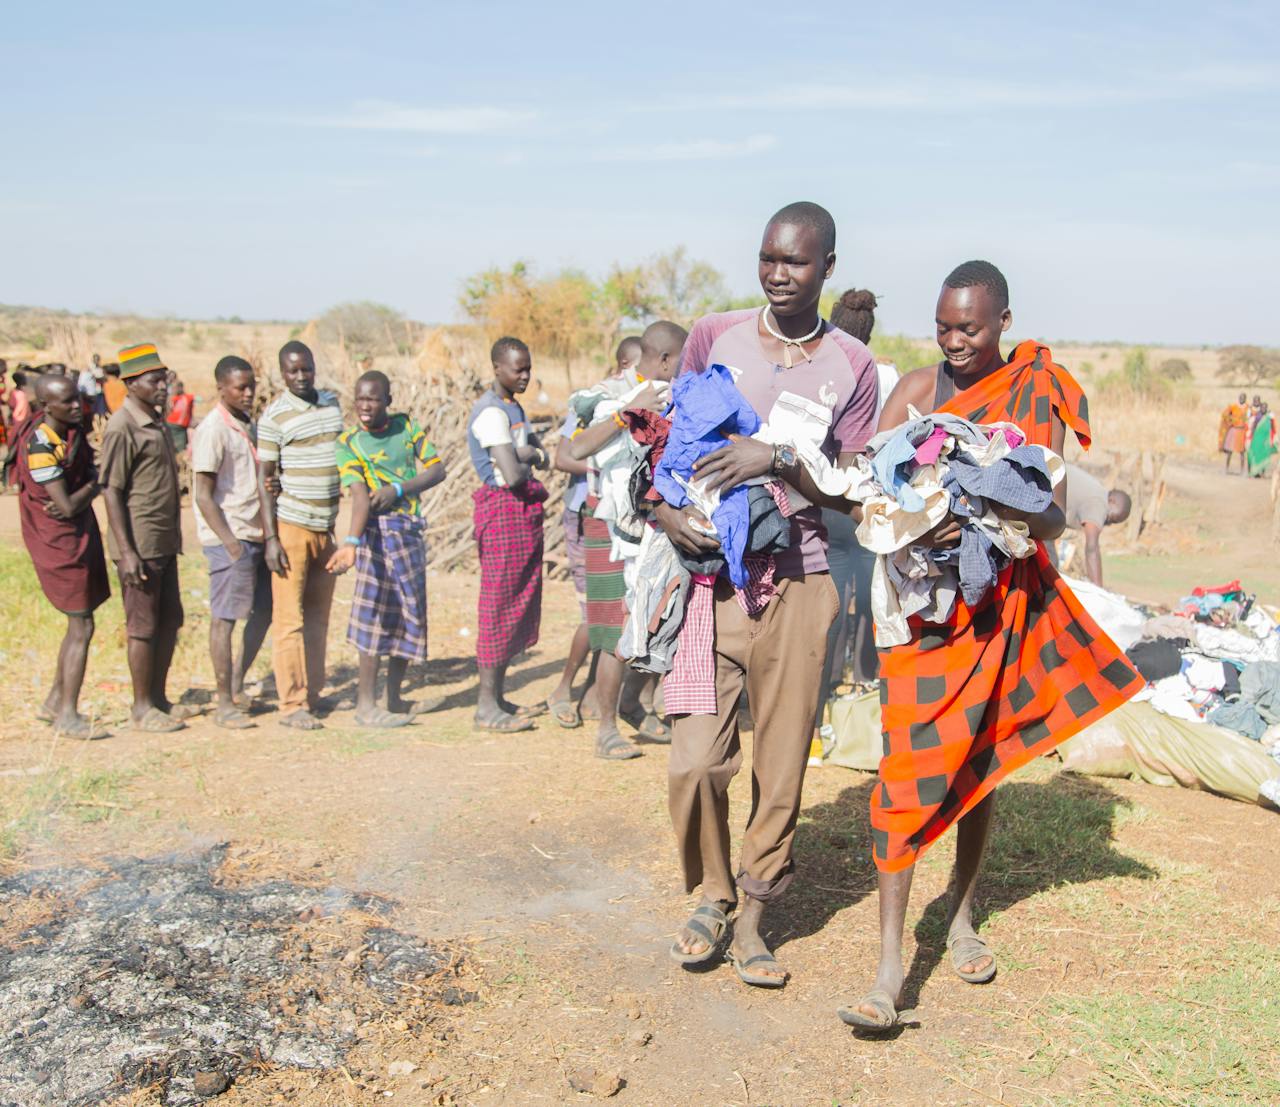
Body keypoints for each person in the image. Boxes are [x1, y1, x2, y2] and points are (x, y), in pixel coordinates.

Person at [838, 261, 1145, 1031]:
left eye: (969, 328)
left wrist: (980, 502)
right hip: (917, 618)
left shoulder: (1029, 399)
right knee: (904, 777)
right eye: (943, 326)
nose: (954, 341)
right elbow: (865, 495)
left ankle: (964, 913)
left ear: (1004, 319)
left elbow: (1047, 517)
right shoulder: (914, 392)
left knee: (977, 771)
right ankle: (887, 969)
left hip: (994, 613)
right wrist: (915, 515)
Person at [661, 202, 880, 987]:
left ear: (827, 265)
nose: (778, 274)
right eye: (767, 258)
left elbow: (854, 490)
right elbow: (665, 437)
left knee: (781, 763)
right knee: (695, 760)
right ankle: (711, 889)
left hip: (802, 579)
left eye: (794, 261)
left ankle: (751, 913)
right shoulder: (712, 334)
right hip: (713, 578)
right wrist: (660, 510)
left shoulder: (853, 365)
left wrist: (778, 459)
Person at [568, 320, 688, 759]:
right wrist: (627, 412)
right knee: (616, 633)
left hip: (654, 535)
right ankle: (605, 730)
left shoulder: (676, 400)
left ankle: (634, 706)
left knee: (651, 624)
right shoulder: (617, 399)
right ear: (660, 360)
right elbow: (576, 450)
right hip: (615, 534)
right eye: (680, 358)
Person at [328, 370, 448, 726]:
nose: (365, 406)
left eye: (374, 399)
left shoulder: (406, 427)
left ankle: (393, 698)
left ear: (388, 401)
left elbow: (437, 469)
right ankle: (366, 705)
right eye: (360, 398)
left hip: (408, 530)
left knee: (407, 612)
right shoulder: (348, 443)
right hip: (375, 533)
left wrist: (398, 490)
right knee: (374, 616)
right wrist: (351, 541)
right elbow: (359, 496)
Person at [100, 343, 192, 732]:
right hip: (138, 545)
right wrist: (127, 551)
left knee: (170, 619)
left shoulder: (154, 422)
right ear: (132, 383)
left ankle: (158, 697)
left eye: (163, 378)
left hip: (163, 541)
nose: (162, 386)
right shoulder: (122, 427)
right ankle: (141, 708)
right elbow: (111, 491)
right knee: (142, 626)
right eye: (155, 380)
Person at [15, 373, 110, 738]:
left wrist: (85, 484)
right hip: (58, 542)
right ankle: (68, 715)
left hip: (73, 536)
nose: (77, 406)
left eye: (77, 399)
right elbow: (67, 506)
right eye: (68, 402)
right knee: (81, 624)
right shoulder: (40, 445)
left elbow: (73, 494)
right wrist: (95, 483)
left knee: (81, 622)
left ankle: (55, 701)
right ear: (45, 406)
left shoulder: (67, 435)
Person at [257, 341, 344, 730]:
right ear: (282, 374)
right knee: (289, 619)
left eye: (306, 368)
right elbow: (265, 479)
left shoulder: (331, 404)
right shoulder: (274, 416)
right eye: (293, 371)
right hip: (291, 525)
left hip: (326, 527)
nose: (301, 376)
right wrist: (270, 537)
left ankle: (312, 694)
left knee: (319, 618)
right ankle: (292, 705)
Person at [467, 336, 550, 732]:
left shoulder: (511, 408)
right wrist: (532, 455)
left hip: (518, 510)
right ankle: (485, 706)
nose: (525, 376)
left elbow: (528, 450)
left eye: (528, 368)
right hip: (502, 507)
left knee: (515, 599)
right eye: (518, 369)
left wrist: (529, 453)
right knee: (498, 604)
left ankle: (497, 697)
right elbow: (515, 472)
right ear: (496, 368)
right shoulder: (490, 414)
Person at [191, 355, 274, 729]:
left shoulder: (248, 425)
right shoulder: (213, 429)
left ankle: (237, 683)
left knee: (264, 612)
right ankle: (224, 702)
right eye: (240, 387)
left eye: (251, 386)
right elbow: (203, 494)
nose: (248, 393)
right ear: (221, 388)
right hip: (231, 536)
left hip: (255, 532)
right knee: (224, 618)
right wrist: (230, 544)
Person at [820, 289, 887, 720]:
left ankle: (821, 692)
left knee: (827, 605)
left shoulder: (814, 367)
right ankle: (864, 685)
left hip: (823, 500)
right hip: (866, 505)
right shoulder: (887, 374)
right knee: (869, 600)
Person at [1061, 463, 1132, 586]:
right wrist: (1098, 591)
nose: (1107, 523)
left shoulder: (1096, 491)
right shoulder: (1100, 503)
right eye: (1111, 519)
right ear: (1112, 501)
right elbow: (1092, 548)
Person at [1219, 392, 1249, 475]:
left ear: (1245, 398)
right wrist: (1231, 420)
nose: (1241, 398)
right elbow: (1224, 414)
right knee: (1229, 451)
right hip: (1233, 430)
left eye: (1243, 397)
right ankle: (1226, 469)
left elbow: (1250, 417)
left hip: (1242, 431)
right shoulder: (1233, 406)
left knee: (1242, 452)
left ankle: (1242, 471)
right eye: (1240, 397)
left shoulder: (1247, 407)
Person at [1247, 401, 1277, 478]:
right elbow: (1253, 426)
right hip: (1257, 439)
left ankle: (1262, 473)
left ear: (1267, 408)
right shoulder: (1258, 416)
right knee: (1255, 454)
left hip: (1265, 440)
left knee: (1264, 455)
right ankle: (1253, 472)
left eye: (1265, 407)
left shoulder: (1269, 417)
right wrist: (1251, 437)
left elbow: (1273, 428)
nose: (1263, 409)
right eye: (1262, 407)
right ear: (1260, 408)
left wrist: (1273, 438)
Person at [166, 378, 195, 453]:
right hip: (174, 425)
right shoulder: (173, 398)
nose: (174, 390)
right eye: (173, 388)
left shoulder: (188, 397)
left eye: (175, 388)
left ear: (181, 388)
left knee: (180, 447)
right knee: (177, 447)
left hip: (180, 426)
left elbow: (199, 399)